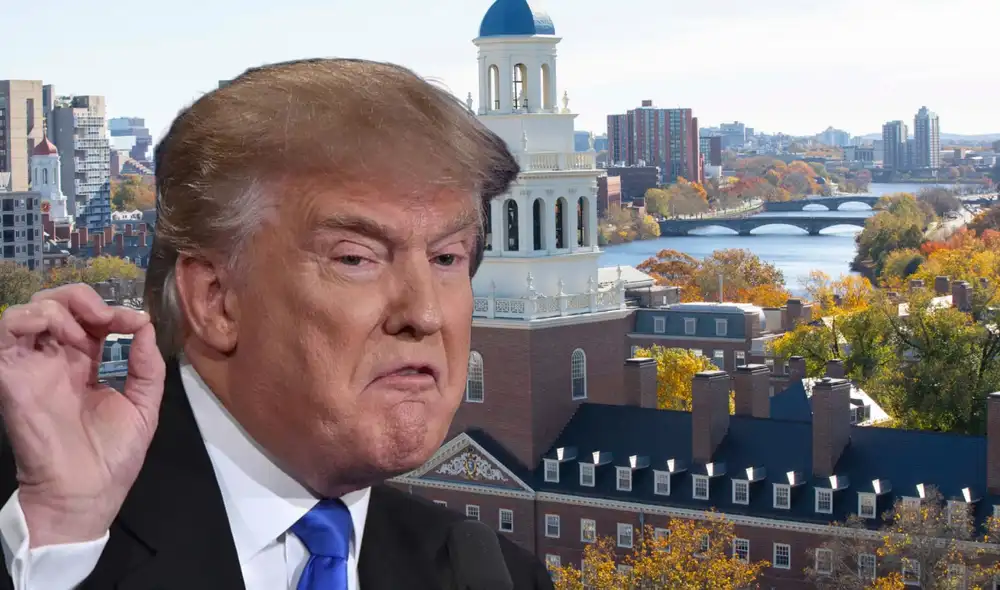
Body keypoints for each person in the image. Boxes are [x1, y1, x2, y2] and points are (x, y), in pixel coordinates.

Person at [0, 58, 554, 590]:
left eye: (447, 258)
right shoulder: (44, 534)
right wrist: (58, 552)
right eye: (356, 258)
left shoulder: (490, 574)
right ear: (217, 300)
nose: (425, 314)